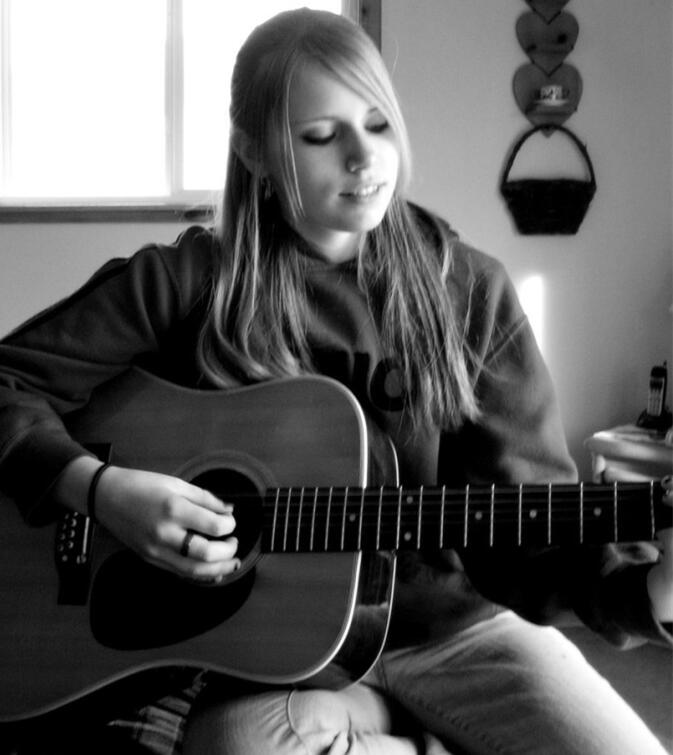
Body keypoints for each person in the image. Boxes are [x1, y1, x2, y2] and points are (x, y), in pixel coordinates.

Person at [0, 8, 671, 755]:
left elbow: (536, 525)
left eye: (377, 123)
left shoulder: (470, 291)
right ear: (254, 152)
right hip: (281, 663)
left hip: (458, 636)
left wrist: (647, 591)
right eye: (320, 136)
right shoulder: (190, 281)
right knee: (234, 748)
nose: (362, 157)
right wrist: (96, 489)